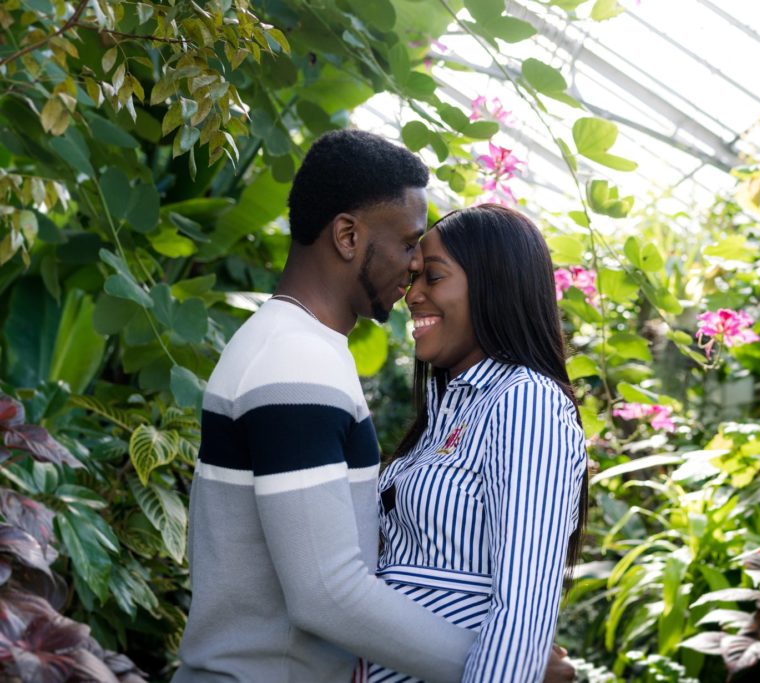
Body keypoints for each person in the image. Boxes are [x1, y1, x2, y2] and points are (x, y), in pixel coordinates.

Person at [174, 130, 483, 682]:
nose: (416, 265)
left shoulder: (299, 348)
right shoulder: (294, 362)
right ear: (347, 236)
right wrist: (502, 663)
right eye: (410, 243)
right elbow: (327, 592)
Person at [363, 204, 589, 683]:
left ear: (494, 285)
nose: (413, 295)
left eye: (434, 278)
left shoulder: (525, 402)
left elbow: (522, 608)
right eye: (415, 279)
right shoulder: (448, 407)